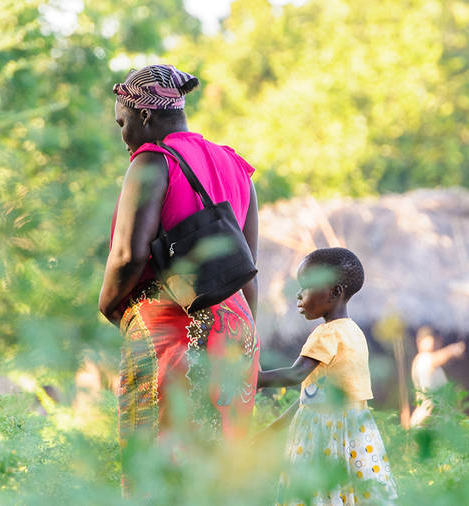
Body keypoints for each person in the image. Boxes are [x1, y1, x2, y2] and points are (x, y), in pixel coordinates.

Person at [98, 64, 261, 459]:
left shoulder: (151, 162)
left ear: (145, 115)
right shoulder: (235, 165)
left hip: (172, 324)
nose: (124, 137)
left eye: (123, 123)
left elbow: (128, 255)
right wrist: (246, 337)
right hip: (236, 329)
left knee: (162, 461)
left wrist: (108, 307)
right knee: (222, 464)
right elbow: (248, 267)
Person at [258, 248, 397, 505]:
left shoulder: (327, 334)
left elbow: (295, 375)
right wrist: (272, 429)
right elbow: (311, 397)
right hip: (356, 432)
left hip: (324, 436)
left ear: (334, 292)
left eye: (306, 286)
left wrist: (253, 379)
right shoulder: (353, 332)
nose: (299, 295)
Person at [409, 326, 465, 427]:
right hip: (425, 421)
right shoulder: (422, 359)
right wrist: (453, 350)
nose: (436, 342)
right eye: (432, 338)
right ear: (419, 342)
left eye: (437, 339)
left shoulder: (437, 368)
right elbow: (437, 358)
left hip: (436, 422)